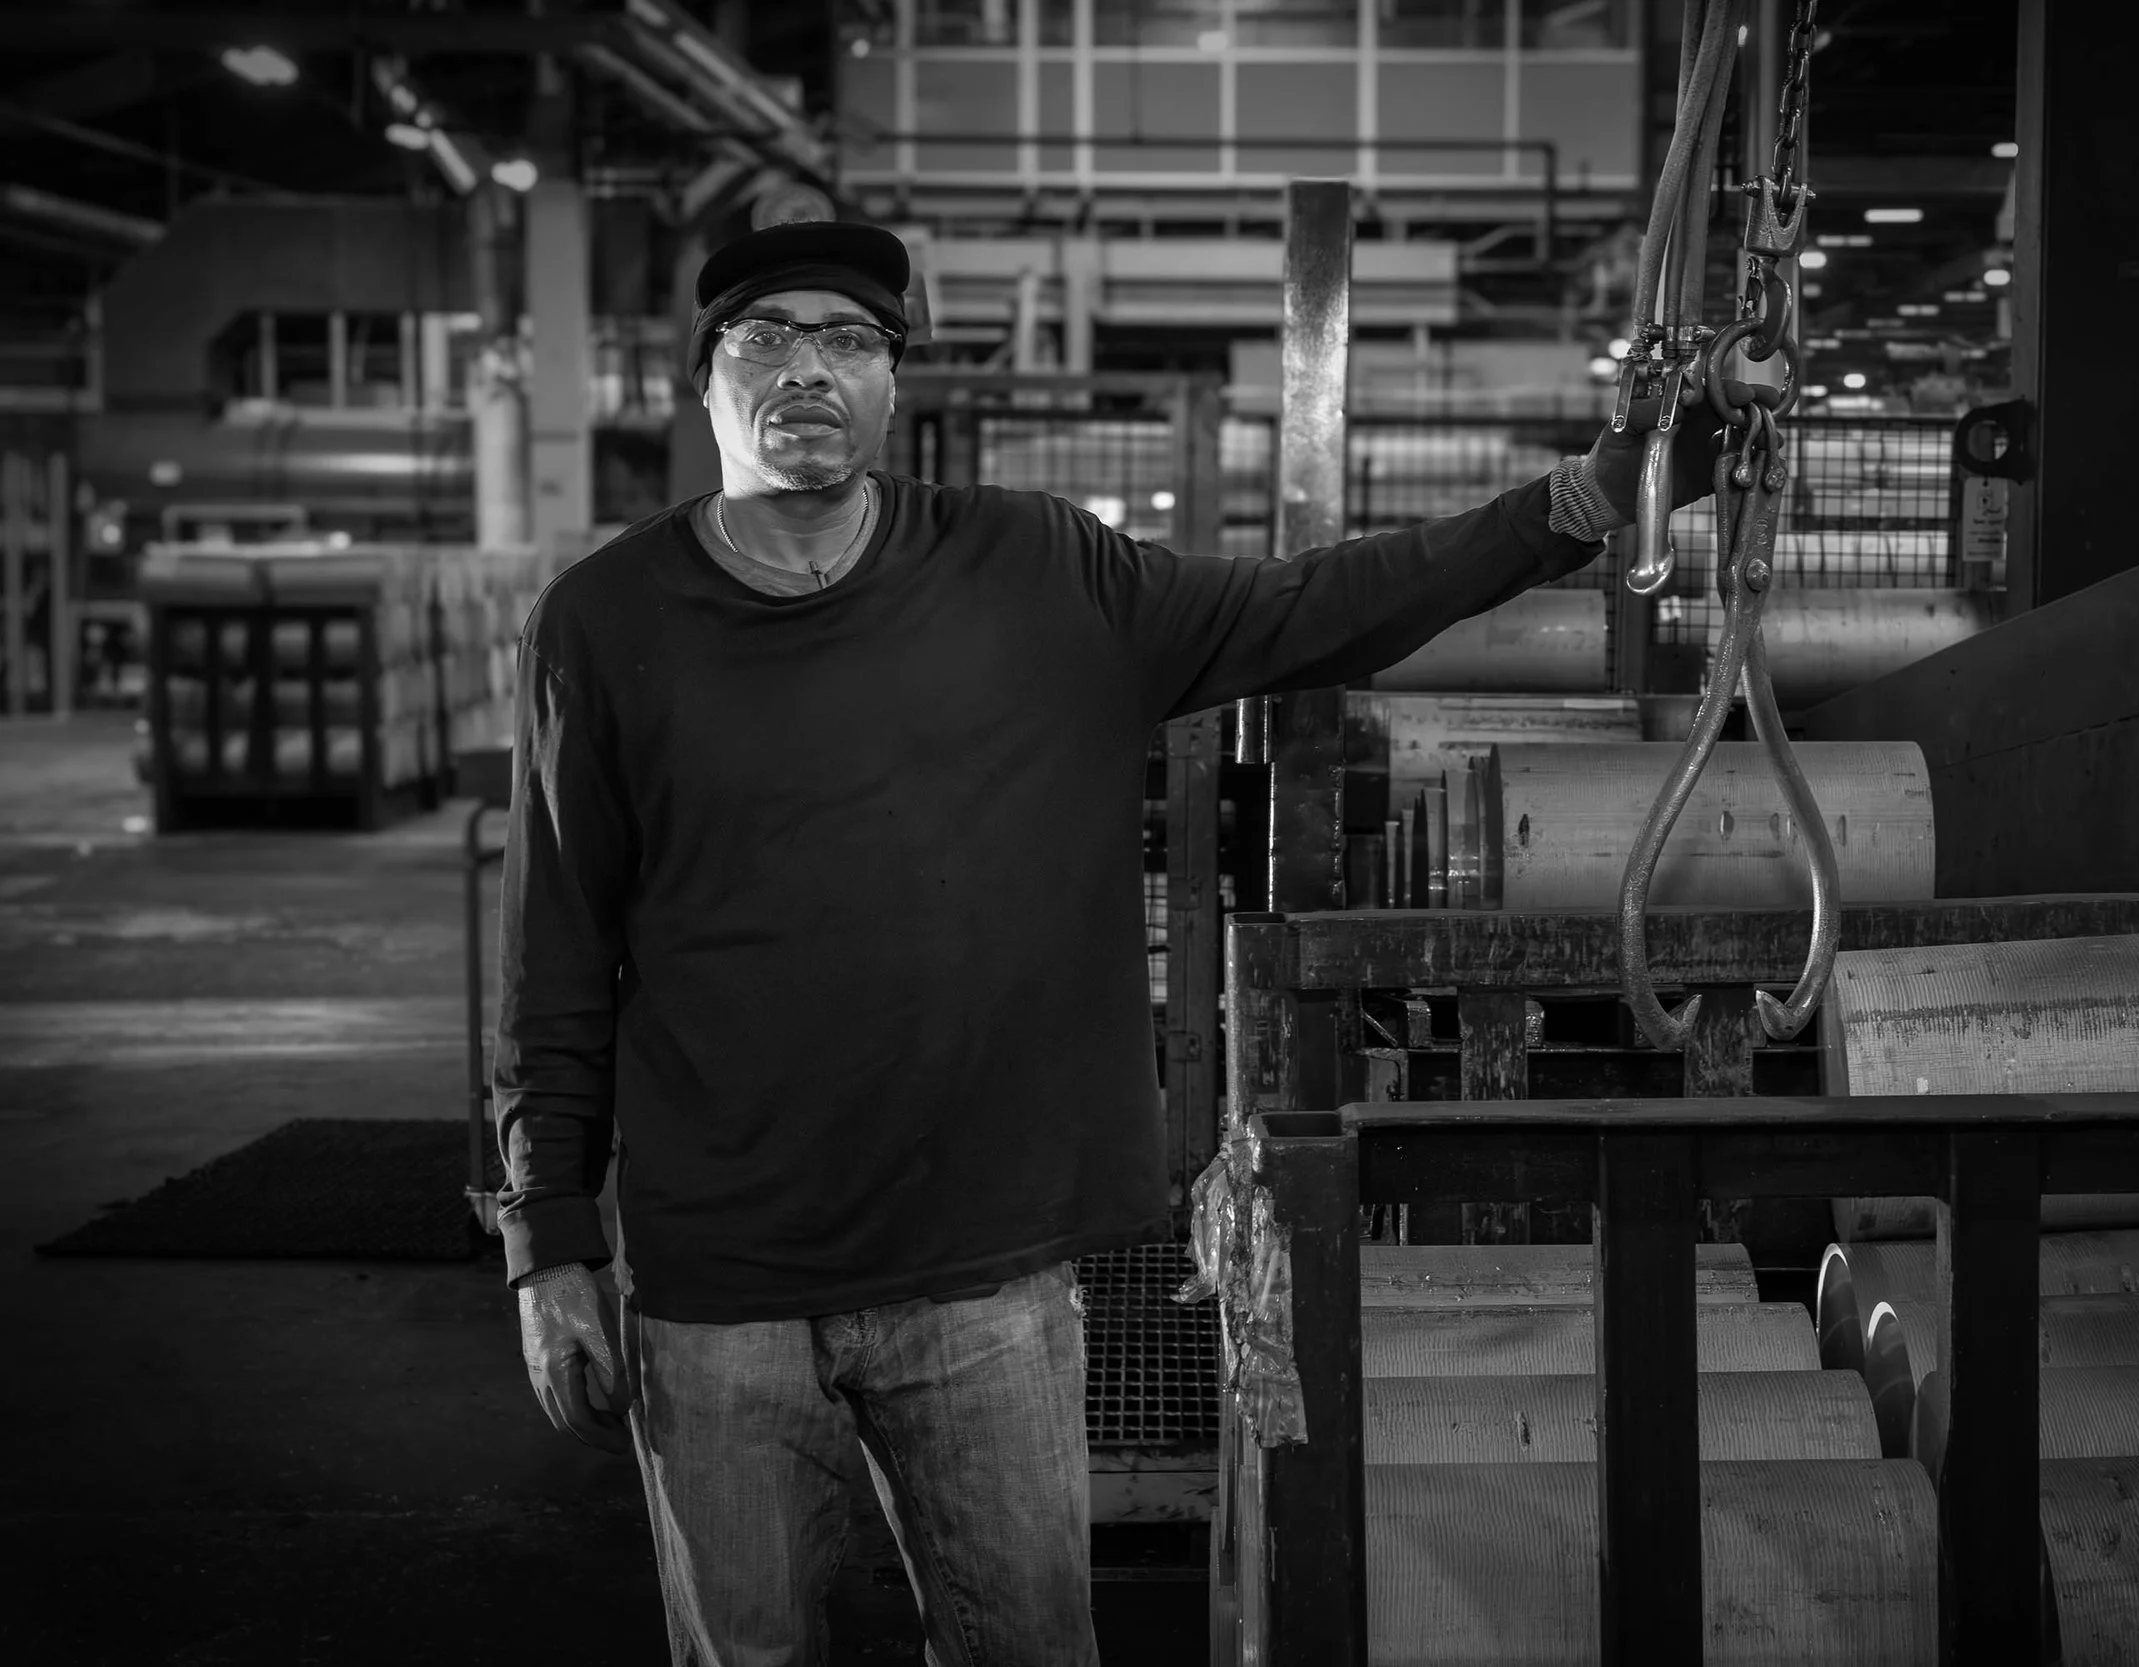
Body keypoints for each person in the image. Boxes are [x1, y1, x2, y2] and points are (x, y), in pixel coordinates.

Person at [497, 218, 1708, 1667]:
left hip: (984, 1279)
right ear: (705, 385)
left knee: (1031, 1644)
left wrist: (1572, 503)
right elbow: (556, 953)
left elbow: (1317, 606)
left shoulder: (1038, 575)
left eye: (848, 341)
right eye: (764, 339)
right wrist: (549, 1239)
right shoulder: (602, 622)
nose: (805, 370)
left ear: (895, 387)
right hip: (720, 1288)